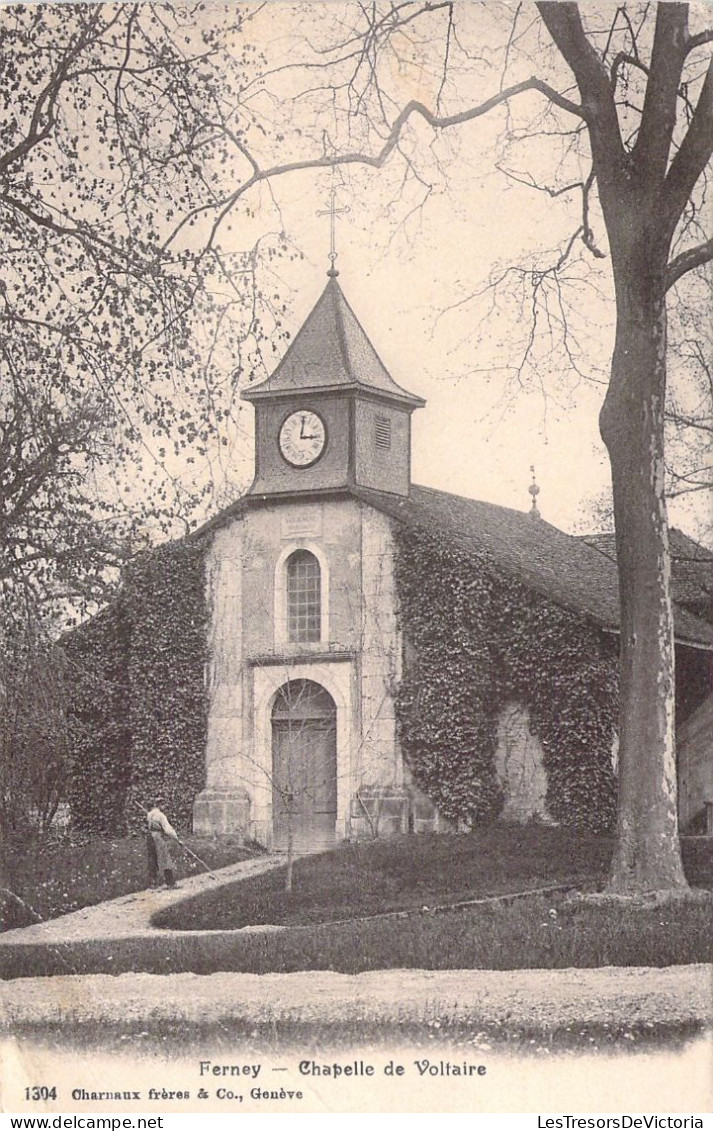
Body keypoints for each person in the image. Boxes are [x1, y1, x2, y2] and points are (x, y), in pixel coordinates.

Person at [146, 802, 180, 888]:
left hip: (150, 838)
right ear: (159, 805)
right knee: (165, 859)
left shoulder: (149, 814)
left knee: (152, 859)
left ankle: (152, 883)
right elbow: (168, 830)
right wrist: (176, 838)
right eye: (163, 804)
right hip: (158, 838)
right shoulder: (161, 816)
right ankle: (170, 883)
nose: (164, 806)